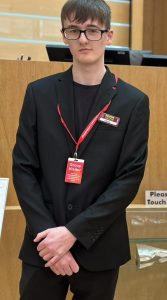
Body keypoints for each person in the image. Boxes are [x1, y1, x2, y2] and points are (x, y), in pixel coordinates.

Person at [12, 0, 149, 299]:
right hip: (43, 245)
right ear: (64, 35)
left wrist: (72, 234)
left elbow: (128, 178)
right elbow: (23, 168)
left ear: (109, 36)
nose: (84, 39)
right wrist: (52, 240)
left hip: (99, 248)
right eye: (74, 30)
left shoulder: (133, 102)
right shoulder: (39, 93)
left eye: (92, 30)